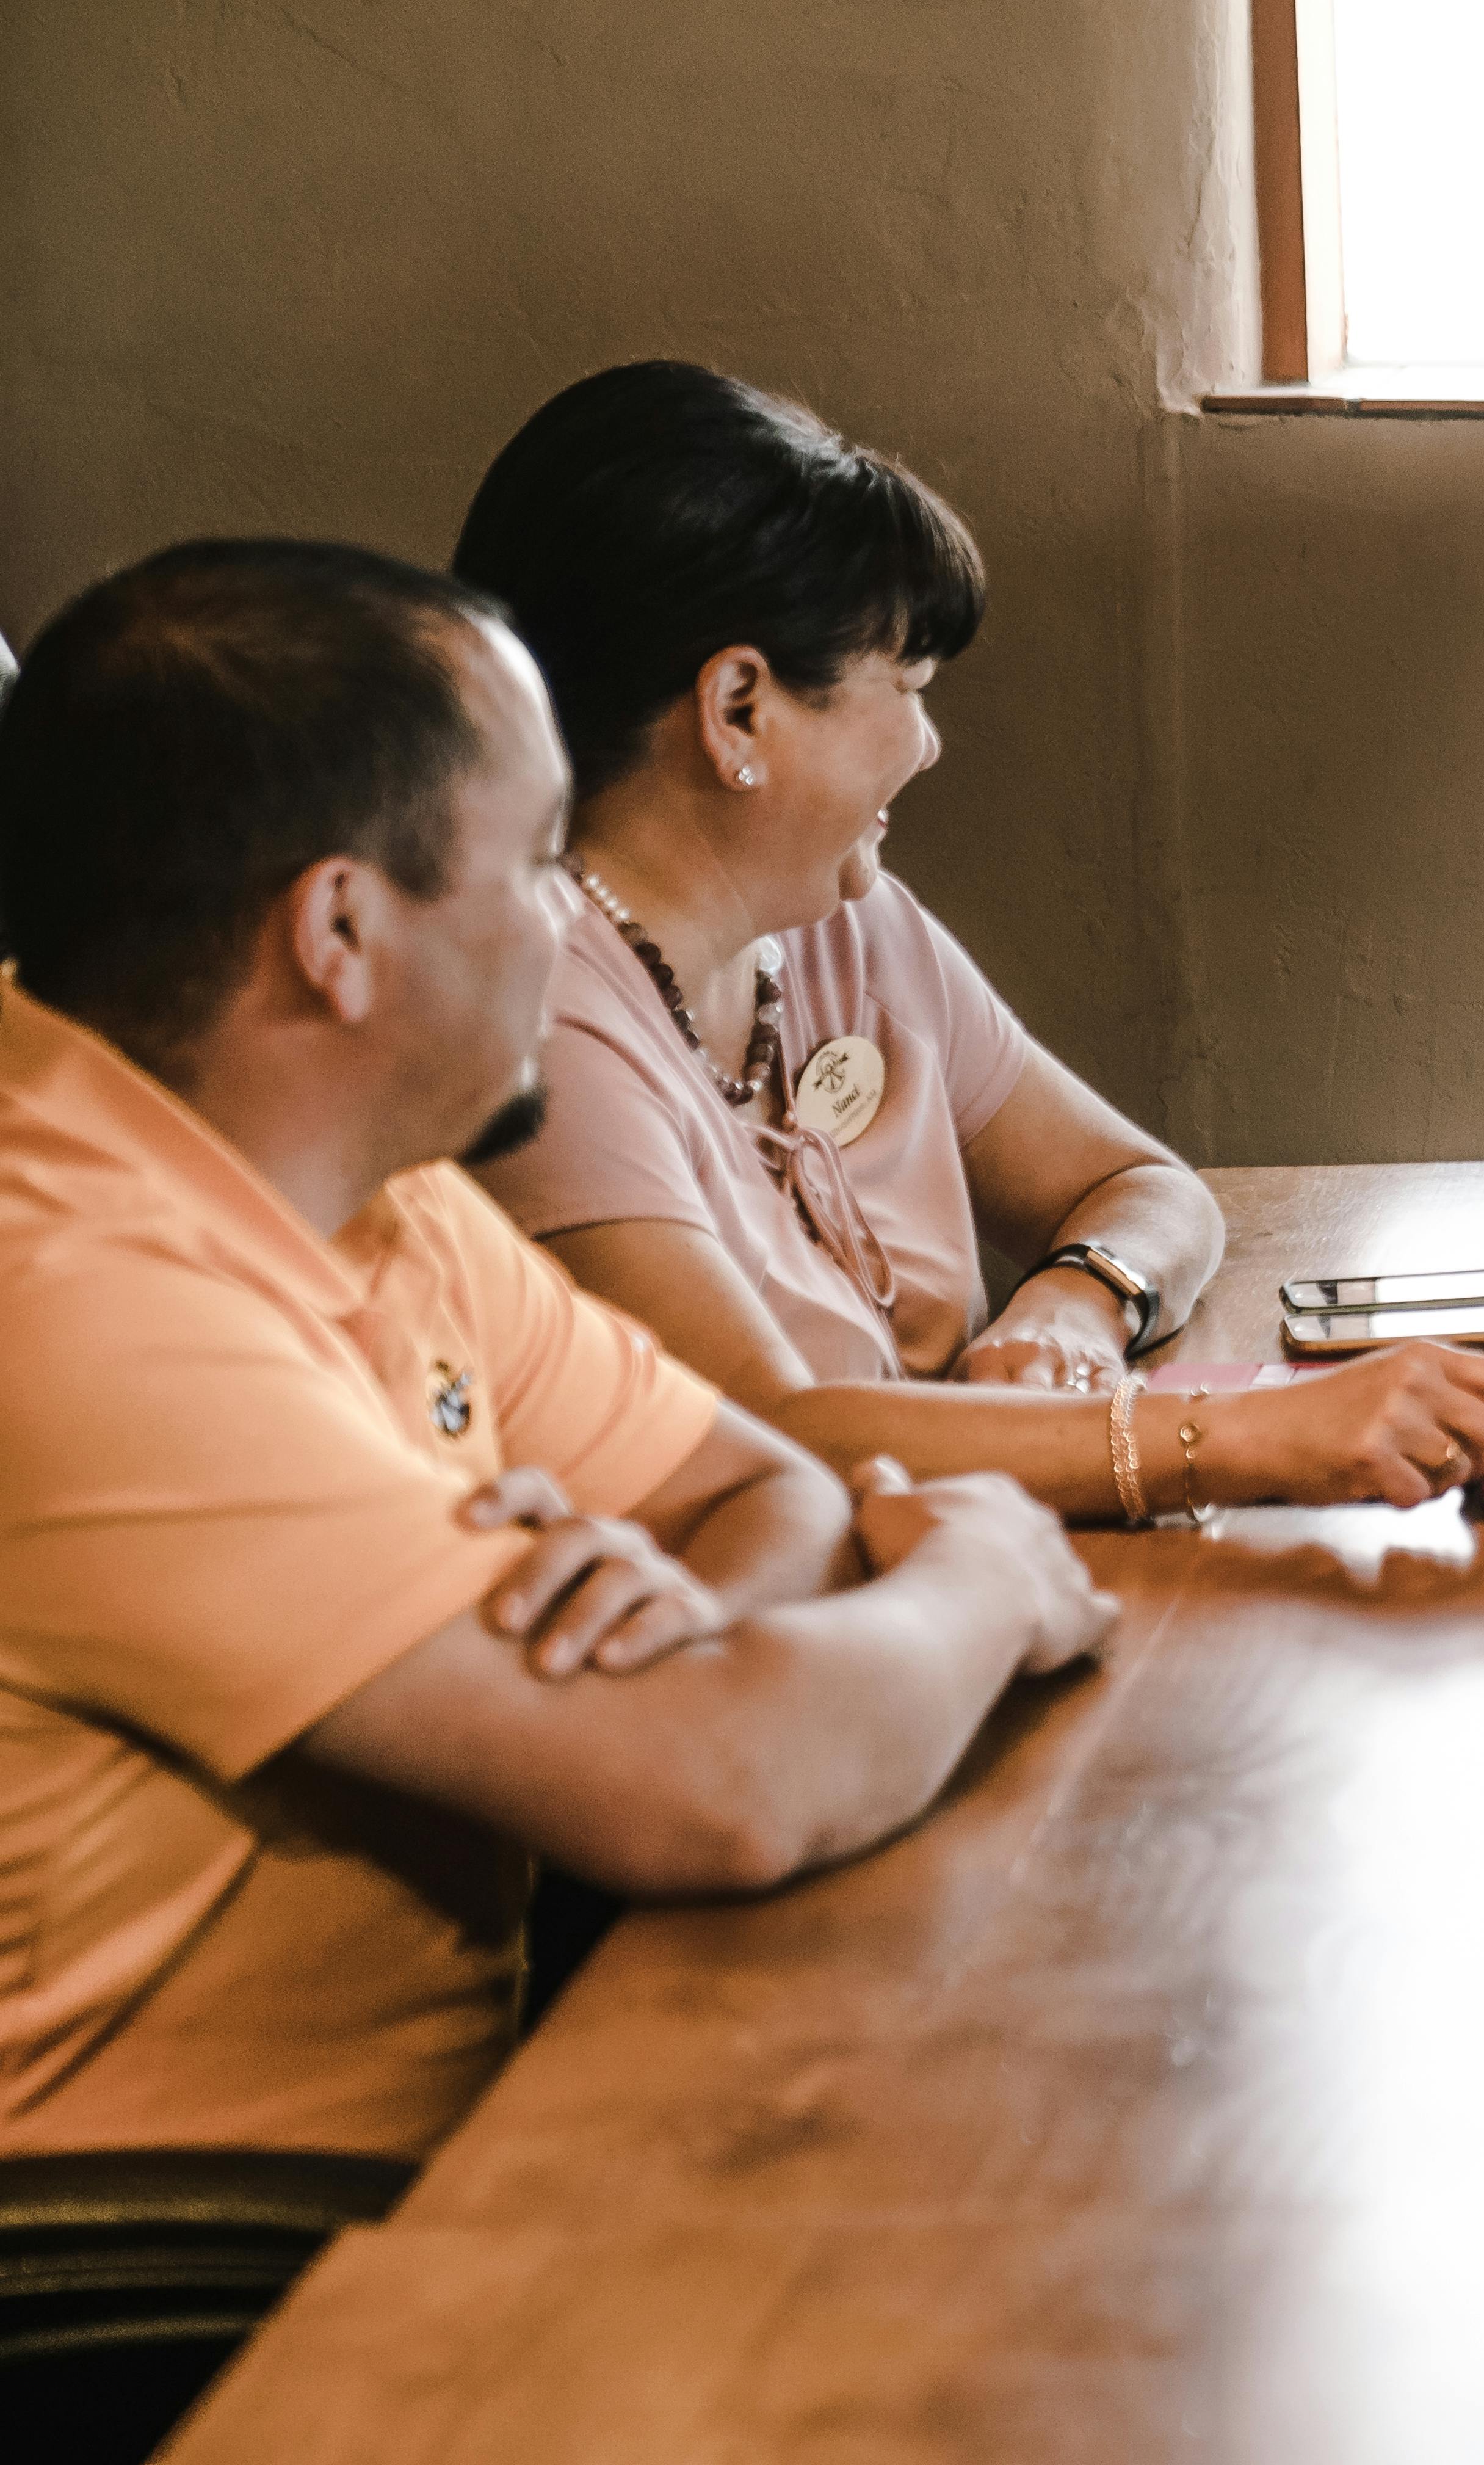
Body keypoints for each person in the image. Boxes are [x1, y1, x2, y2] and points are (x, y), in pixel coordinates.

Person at [0, 540, 1115, 2163]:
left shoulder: (365, 1178)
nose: (567, 925)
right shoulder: (78, 1301)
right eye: (536, 864)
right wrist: (995, 1577)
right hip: (158, 2268)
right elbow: (722, 1784)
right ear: (341, 932)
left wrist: (700, 1624)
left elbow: (771, 1485)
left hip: (449, 2139)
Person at [451, 365, 1484, 1520]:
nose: (927, 744)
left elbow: (1144, 1186)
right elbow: (764, 1437)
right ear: (739, 711)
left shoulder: (840, 922)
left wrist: (1074, 1299)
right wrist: (1233, 1435)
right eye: (906, 683)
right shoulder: (539, 1021)